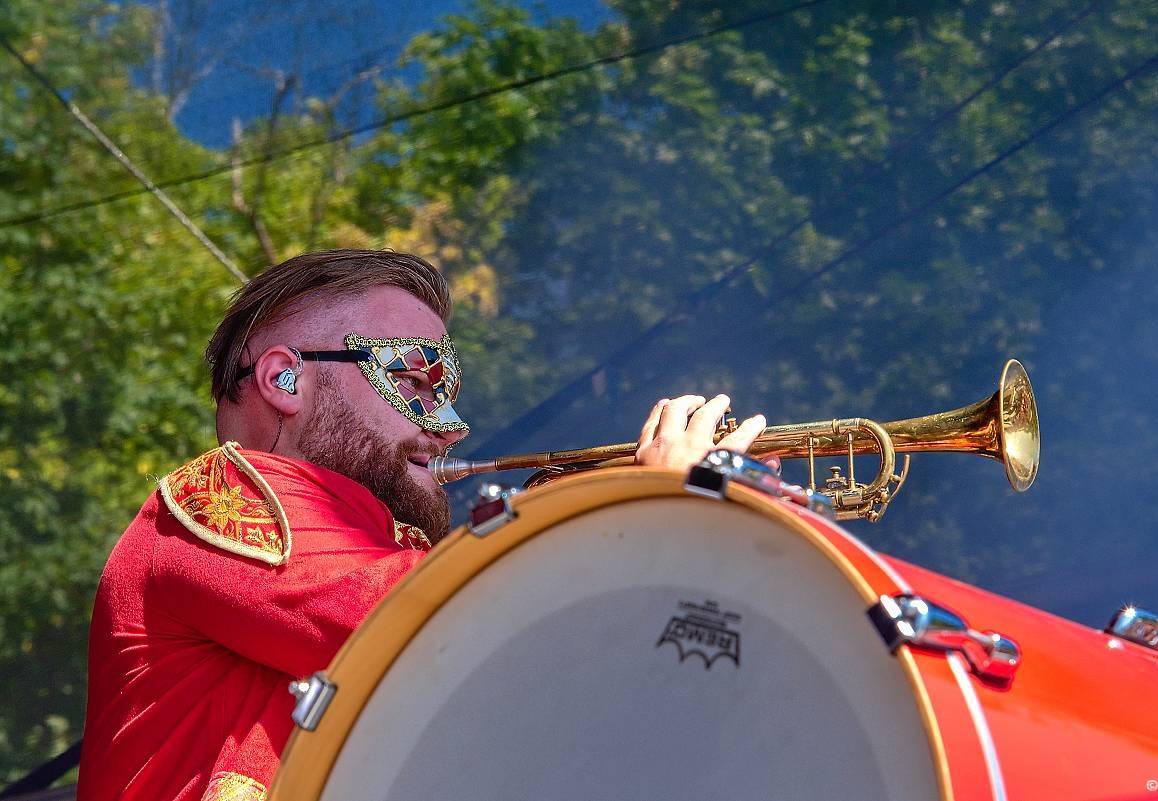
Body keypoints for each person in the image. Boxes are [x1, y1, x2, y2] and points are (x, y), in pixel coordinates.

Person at [77, 249, 770, 801]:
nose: (447, 424)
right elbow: (430, 619)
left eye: (447, 390)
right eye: (414, 378)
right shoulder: (219, 498)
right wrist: (651, 510)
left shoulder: (389, 548)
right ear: (285, 382)